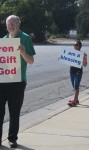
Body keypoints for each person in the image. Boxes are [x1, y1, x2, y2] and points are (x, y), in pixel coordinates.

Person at [0, 15, 36, 148]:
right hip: (2, 82)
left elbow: (31, 61)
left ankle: (12, 138)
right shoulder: (3, 40)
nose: (11, 26)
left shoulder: (25, 38)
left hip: (18, 82)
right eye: (8, 24)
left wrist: (23, 53)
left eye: (13, 23)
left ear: (18, 24)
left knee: (14, 112)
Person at [68, 40, 87, 107]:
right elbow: (67, 59)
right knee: (74, 87)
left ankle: (74, 101)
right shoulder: (71, 53)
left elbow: (85, 65)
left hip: (78, 72)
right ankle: (77, 100)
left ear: (80, 46)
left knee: (76, 86)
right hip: (72, 71)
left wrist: (84, 58)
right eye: (74, 45)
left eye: (76, 45)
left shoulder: (83, 54)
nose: (75, 46)